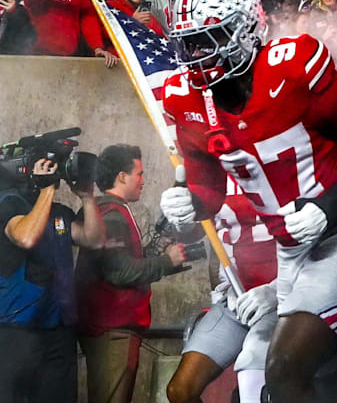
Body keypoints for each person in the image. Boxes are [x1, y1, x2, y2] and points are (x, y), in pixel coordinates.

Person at [157, 0, 337, 401]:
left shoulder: (296, 65)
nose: (198, 54)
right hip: (288, 252)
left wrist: (328, 205)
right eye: (191, 42)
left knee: (286, 368)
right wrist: (188, 203)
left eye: (212, 38)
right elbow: (209, 192)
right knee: (282, 375)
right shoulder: (184, 98)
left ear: (248, 29)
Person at [75, 144, 187, 403]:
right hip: (112, 329)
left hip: (110, 327)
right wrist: (166, 261)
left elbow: (122, 262)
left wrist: (157, 252)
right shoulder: (112, 215)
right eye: (139, 173)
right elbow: (120, 272)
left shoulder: (109, 210)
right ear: (122, 176)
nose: (143, 180)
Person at [0, 158, 105, 403]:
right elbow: (26, 237)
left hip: (58, 330)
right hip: (16, 330)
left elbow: (94, 239)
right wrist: (47, 188)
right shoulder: (8, 206)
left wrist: (87, 198)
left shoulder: (58, 213)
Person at [167, 179, 278, 403]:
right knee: (180, 390)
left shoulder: (283, 157)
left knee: (253, 383)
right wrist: (181, 220)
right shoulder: (210, 171)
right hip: (237, 299)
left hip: (285, 296)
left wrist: (277, 289)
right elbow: (191, 231)